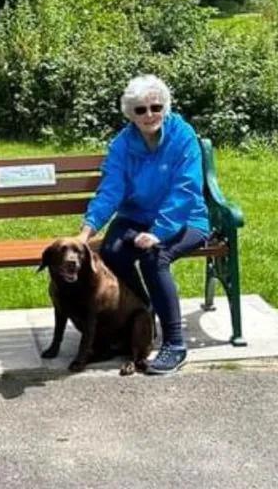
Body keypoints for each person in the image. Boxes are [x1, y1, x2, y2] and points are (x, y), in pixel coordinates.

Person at [76, 74, 210, 374]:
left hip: (186, 218)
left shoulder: (183, 136)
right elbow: (111, 190)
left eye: (156, 107)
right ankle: (144, 309)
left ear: (166, 107)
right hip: (137, 216)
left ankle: (175, 344)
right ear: (129, 114)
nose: (150, 115)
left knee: (154, 257)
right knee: (111, 250)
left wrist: (158, 232)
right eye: (140, 110)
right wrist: (87, 231)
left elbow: (186, 190)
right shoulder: (122, 145)